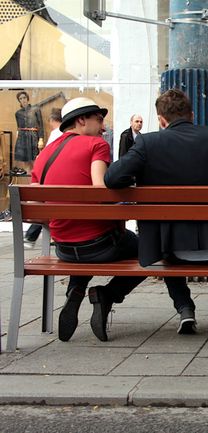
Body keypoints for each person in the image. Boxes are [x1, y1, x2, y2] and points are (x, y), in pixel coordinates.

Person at [105, 89, 208, 336]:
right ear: (192, 115)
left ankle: (185, 308)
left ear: (161, 120)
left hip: (172, 251)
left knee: (166, 245)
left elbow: (112, 178)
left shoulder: (147, 143)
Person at [31, 97, 146, 343]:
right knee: (150, 252)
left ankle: (76, 289)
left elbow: (37, 208)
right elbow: (99, 191)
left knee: (84, 237)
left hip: (64, 249)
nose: (103, 127)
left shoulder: (45, 154)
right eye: (99, 120)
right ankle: (107, 295)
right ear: (81, 120)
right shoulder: (96, 144)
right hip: (101, 246)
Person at [24, 108, 64, 247]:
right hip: (60, 177)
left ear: (53, 120)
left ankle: (31, 236)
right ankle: (35, 236)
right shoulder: (66, 133)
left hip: (52, 176)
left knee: (46, 203)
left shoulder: (56, 133)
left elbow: (47, 155)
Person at [14, 91, 44, 175]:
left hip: (33, 136)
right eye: (20, 98)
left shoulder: (35, 109)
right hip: (22, 138)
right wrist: (18, 136)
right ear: (19, 100)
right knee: (26, 161)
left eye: (24, 98)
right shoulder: (18, 113)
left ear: (27, 98)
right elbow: (18, 127)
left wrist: (41, 138)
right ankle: (28, 180)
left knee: (35, 160)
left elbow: (40, 125)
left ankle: (36, 180)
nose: (23, 100)